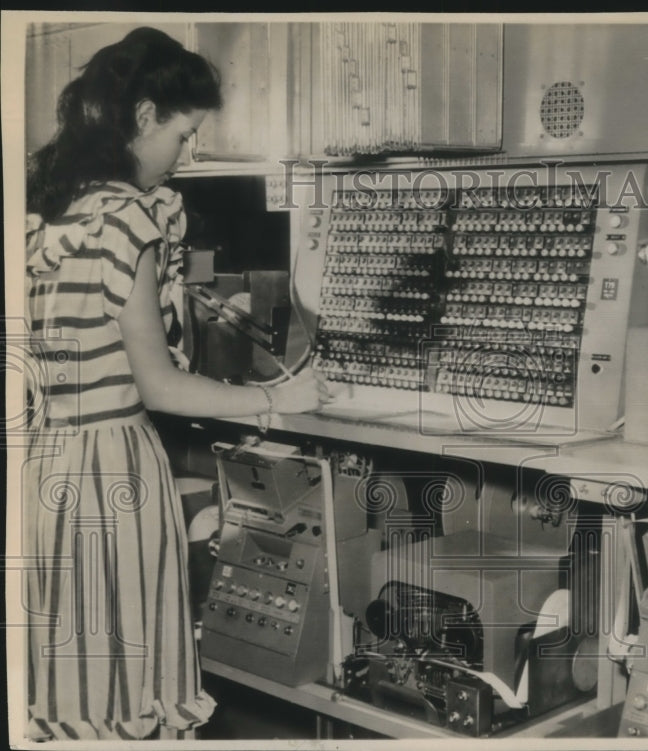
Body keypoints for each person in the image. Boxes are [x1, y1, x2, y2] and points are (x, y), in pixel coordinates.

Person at [23, 27, 334, 740]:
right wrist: (275, 396)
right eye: (185, 134)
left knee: (73, 687)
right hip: (110, 474)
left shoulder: (45, 213)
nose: (187, 154)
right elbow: (161, 386)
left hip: (42, 474)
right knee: (131, 688)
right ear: (143, 117)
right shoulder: (127, 218)